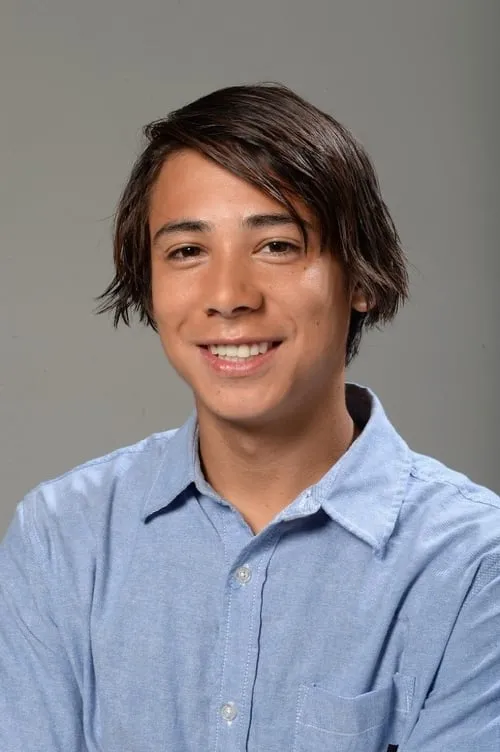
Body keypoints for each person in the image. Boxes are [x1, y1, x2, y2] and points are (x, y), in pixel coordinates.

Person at [0, 83, 499, 752]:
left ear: (361, 278)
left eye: (277, 246)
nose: (229, 296)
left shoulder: (473, 565)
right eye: (186, 251)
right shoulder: (63, 537)